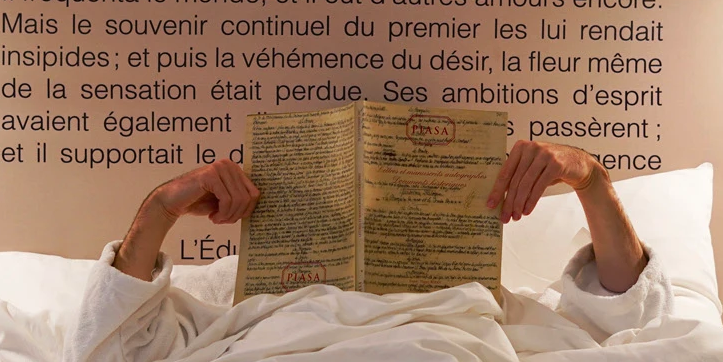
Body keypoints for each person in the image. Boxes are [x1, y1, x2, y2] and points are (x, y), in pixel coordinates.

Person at [113, 139, 646, 292]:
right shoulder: (243, 291)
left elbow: (624, 305)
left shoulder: (474, 294)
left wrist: (590, 178)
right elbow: (114, 351)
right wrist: (162, 206)